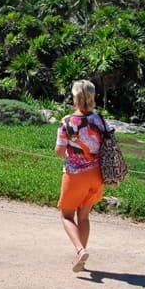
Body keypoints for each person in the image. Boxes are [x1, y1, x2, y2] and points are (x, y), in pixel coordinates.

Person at [55, 79, 105, 272]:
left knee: (66, 216)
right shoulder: (98, 120)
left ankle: (79, 249)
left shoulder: (67, 122)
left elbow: (59, 151)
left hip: (75, 175)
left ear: (75, 98)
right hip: (96, 174)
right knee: (83, 216)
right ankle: (80, 259)